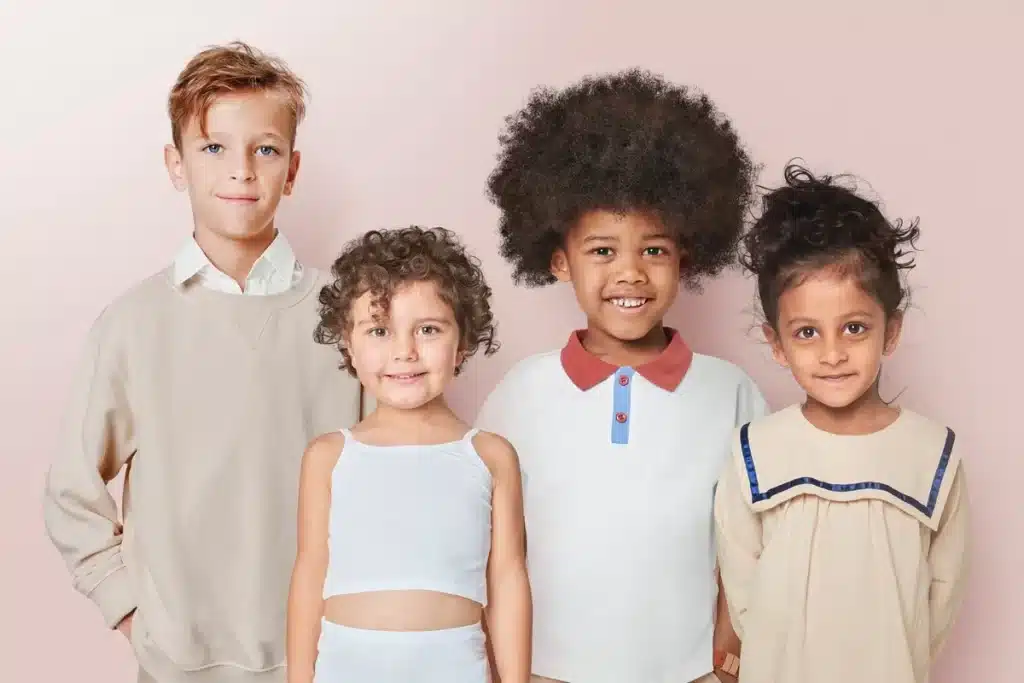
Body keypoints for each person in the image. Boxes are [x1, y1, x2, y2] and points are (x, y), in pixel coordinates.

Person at [42, 41, 363, 683]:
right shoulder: (132, 325)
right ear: (176, 164)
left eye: (264, 150)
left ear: (292, 170)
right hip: (177, 666)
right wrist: (131, 611)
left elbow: (395, 474)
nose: (240, 171)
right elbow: (72, 492)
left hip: (327, 658)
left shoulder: (352, 321)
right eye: (213, 147)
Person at [476, 69, 766, 683]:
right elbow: (486, 547)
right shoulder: (518, 395)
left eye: (654, 250)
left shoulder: (731, 394)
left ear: (686, 257)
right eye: (602, 250)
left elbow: (754, 551)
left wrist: (725, 663)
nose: (630, 272)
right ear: (560, 261)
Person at [713, 164, 970, 683]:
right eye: (807, 332)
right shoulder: (757, 450)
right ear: (777, 344)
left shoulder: (932, 455)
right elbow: (742, 586)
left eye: (854, 328)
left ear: (890, 331)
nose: (832, 354)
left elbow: (941, 597)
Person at [286, 226, 531, 683]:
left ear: (462, 341)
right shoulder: (329, 457)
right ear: (348, 344)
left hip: (455, 668)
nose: (405, 352)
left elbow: (507, 581)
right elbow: (309, 573)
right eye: (379, 330)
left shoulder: (490, 456)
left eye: (428, 329)